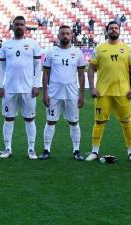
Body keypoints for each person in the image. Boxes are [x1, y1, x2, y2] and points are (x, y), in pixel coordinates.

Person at [85, 21, 131, 163]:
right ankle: (94, 152)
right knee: (99, 122)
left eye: (116, 28)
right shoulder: (99, 48)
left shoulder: (127, 49)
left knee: (127, 122)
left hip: (123, 92)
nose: (114, 30)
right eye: (111, 28)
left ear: (119, 30)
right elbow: (91, 68)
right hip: (103, 92)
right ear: (106, 31)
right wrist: (91, 87)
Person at [0, 16, 41, 159]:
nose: (19, 27)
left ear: (25, 27)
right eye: (17, 24)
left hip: (28, 89)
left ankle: (31, 149)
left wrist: (36, 85)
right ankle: (7, 148)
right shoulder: (6, 45)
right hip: (9, 88)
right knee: (8, 119)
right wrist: (0, 85)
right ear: (13, 26)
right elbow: (2, 66)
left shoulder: (33, 44)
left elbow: (37, 66)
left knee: (29, 119)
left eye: (22, 24)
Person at [39, 25, 85, 160]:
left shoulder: (78, 53)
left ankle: (76, 150)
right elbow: (45, 74)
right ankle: (46, 150)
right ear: (58, 36)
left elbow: (81, 75)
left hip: (72, 94)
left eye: (67, 34)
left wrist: (81, 95)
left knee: (74, 122)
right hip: (54, 94)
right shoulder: (51, 53)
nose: (65, 36)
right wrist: (45, 93)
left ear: (71, 36)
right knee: (50, 121)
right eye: (62, 34)